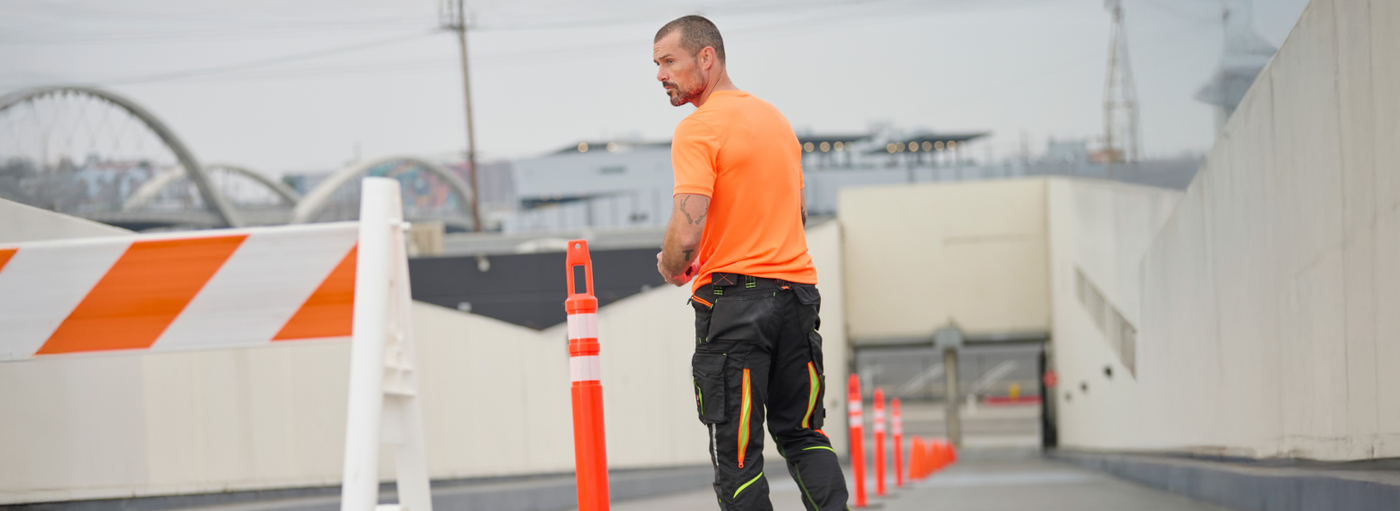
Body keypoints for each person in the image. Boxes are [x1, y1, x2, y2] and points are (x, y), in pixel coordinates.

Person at [651, 15, 849, 511]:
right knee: (804, 434)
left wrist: (672, 266)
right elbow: (797, 215)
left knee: (737, 454)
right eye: (656, 65)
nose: (660, 75)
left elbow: (688, 225)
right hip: (798, 297)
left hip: (735, 304)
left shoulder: (698, 129)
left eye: (669, 61)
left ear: (706, 58)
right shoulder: (775, 121)